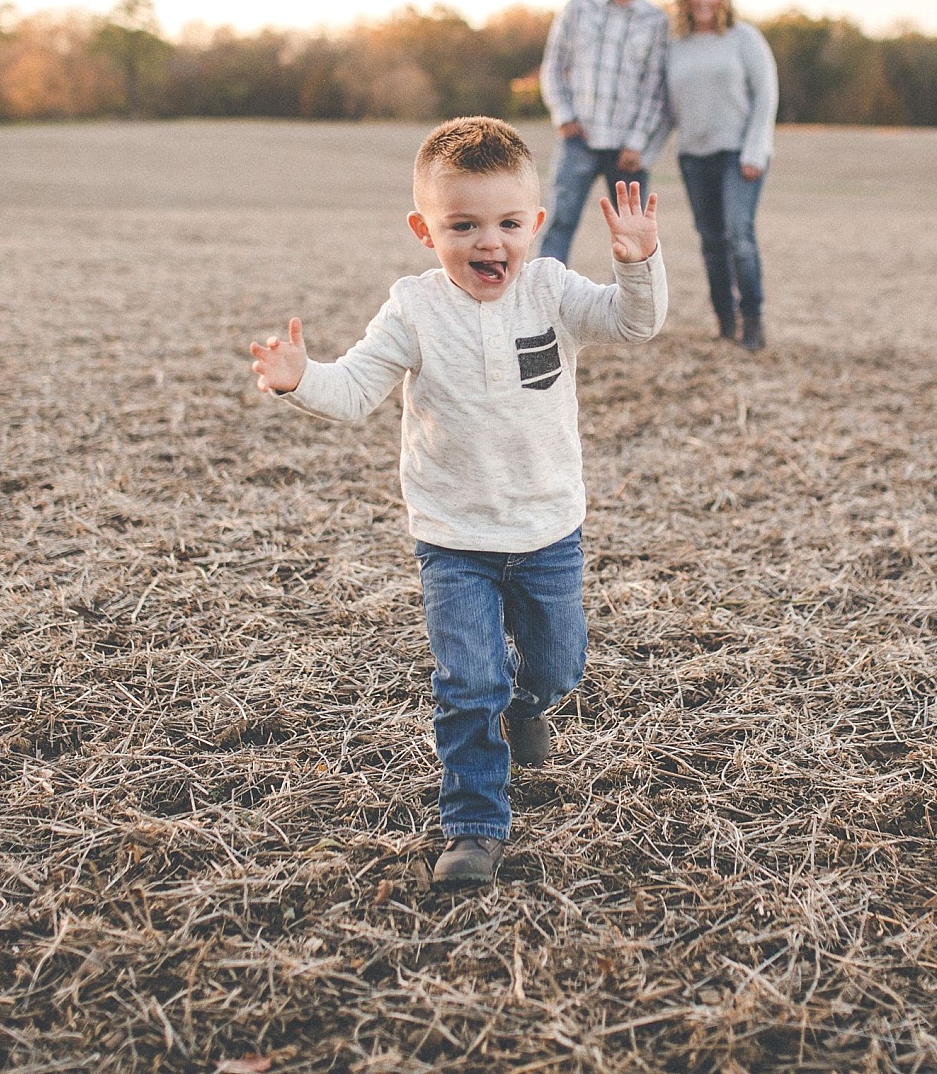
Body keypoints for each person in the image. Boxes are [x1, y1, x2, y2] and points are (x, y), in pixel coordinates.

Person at [248, 116, 667, 888]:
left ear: (536, 223)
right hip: (455, 539)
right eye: (463, 225)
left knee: (558, 664)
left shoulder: (551, 290)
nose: (490, 243)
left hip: (547, 531)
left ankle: (529, 703)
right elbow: (355, 390)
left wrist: (638, 264)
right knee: (467, 683)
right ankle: (474, 824)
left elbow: (633, 323)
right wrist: (301, 377)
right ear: (424, 229)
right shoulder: (414, 309)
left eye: (509, 223)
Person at [536, 0, 671, 264]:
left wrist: (637, 143)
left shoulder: (655, 21)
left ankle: (628, 308)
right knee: (560, 222)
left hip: (626, 148)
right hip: (579, 138)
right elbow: (553, 65)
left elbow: (655, 88)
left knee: (631, 235)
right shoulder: (579, 9)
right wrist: (564, 117)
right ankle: (544, 305)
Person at [666, 0, 778, 350]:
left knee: (738, 235)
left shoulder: (743, 38)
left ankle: (754, 321)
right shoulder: (675, 45)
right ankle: (725, 322)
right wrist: (644, 152)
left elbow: (766, 96)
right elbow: (666, 109)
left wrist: (755, 150)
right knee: (711, 241)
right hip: (694, 157)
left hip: (738, 154)